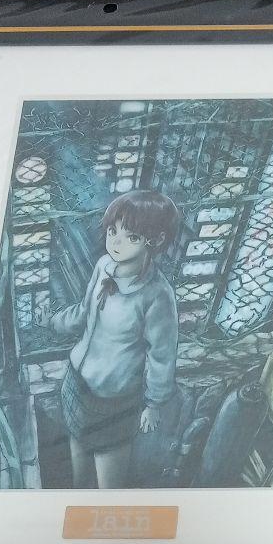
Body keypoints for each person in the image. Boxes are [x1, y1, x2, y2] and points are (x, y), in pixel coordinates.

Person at [43, 189, 180, 488]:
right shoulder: (104, 265)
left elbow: (162, 354)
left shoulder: (158, 294)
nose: (116, 242)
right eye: (112, 231)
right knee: (79, 481)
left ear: (155, 240)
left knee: (110, 489)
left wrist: (154, 403)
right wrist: (53, 322)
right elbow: (84, 311)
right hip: (76, 385)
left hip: (114, 401)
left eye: (131, 236)